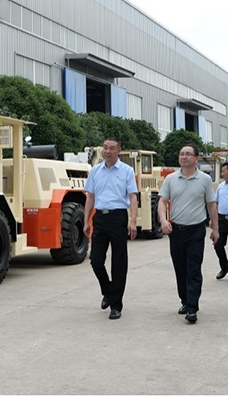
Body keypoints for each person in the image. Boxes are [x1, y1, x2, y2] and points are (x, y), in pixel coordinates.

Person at [158, 144, 219, 324]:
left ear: (196, 159)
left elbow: (211, 205)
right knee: (180, 268)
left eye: (188, 154)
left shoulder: (204, 180)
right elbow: (162, 201)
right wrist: (163, 220)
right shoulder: (170, 179)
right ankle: (185, 300)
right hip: (176, 230)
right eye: (182, 154)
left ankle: (192, 307)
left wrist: (215, 229)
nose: (184, 157)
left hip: (196, 231)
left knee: (193, 269)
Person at [82, 137, 139, 320]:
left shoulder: (126, 171)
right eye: (105, 148)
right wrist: (86, 221)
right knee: (96, 260)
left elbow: (133, 197)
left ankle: (116, 305)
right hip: (100, 217)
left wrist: (133, 221)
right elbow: (90, 197)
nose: (107, 151)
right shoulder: (95, 171)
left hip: (118, 218)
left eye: (112, 148)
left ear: (119, 150)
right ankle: (108, 290)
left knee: (118, 262)